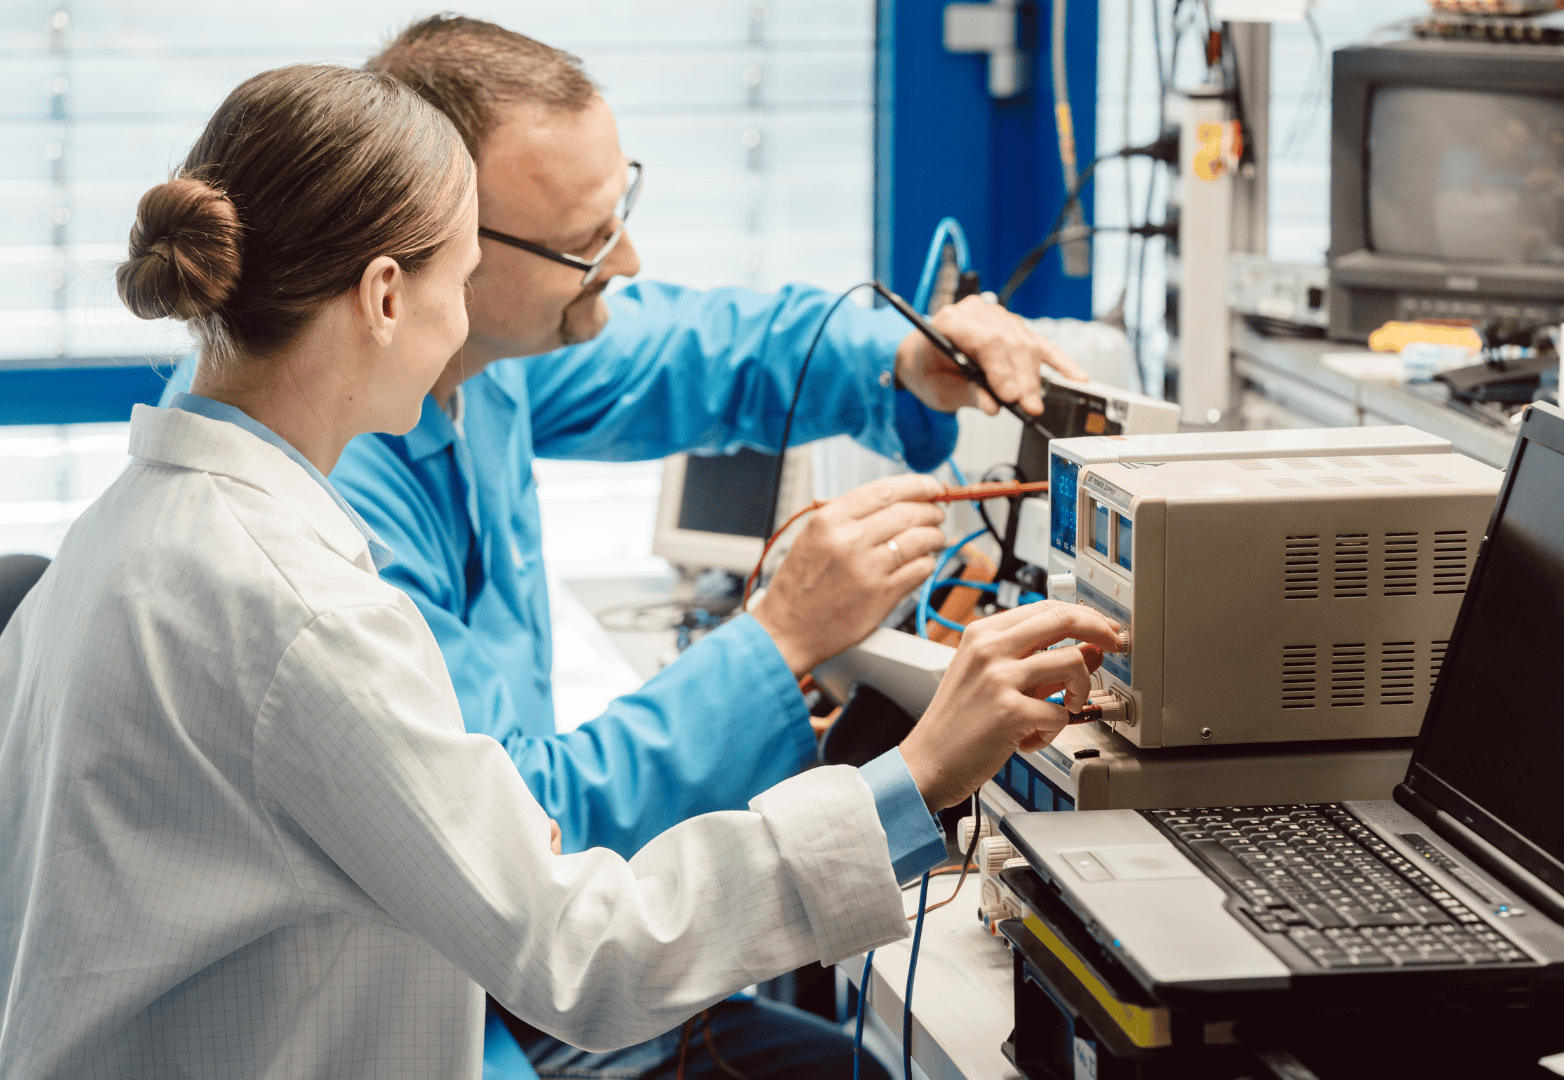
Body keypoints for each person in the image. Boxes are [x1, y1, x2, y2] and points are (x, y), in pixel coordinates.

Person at [0, 62, 1120, 1080]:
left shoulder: (138, 527)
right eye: (467, 267)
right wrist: (916, 776)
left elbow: (689, 346)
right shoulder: (303, 612)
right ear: (388, 297)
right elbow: (586, 958)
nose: (472, 317)